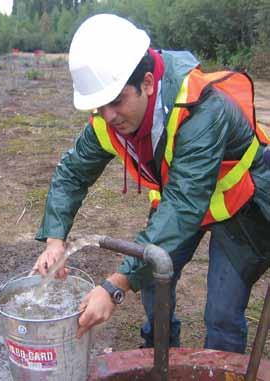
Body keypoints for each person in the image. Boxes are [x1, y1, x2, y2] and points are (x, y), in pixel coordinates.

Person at [32, 13, 270, 353]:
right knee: (155, 280)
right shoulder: (106, 119)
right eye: (99, 107)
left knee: (222, 312)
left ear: (147, 82)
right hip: (181, 201)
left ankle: (222, 367)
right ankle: (159, 355)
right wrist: (55, 240)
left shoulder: (201, 107)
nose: (108, 116)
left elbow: (185, 205)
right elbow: (72, 172)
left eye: (116, 101)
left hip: (242, 202)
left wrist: (114, 286)